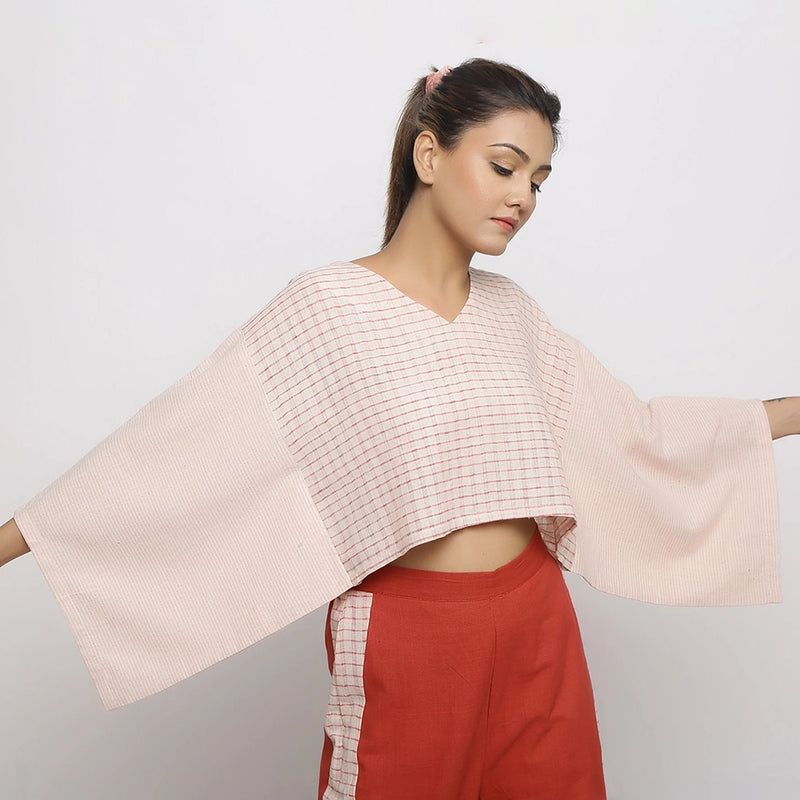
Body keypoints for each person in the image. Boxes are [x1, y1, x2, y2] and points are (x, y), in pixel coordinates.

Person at [1, 57, 797, 799]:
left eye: (540, 179)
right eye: (504, 165)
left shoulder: (514, 313)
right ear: (428, 156)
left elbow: (637, 435)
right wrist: (17, 538)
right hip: (411, 630)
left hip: (537, 619)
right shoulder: (325, 308)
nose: (523, 196)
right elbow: (176, 449)